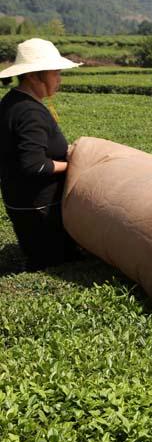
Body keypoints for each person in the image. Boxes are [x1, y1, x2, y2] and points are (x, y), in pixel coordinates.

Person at [0, 38, 82, 269]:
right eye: (55, 73)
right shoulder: (28, 113)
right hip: (39, 212)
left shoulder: (14, 101)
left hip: (24, 205)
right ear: (35, 76)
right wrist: (75, 165)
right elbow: (35, 165)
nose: (59, 79)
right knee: (58, 263)